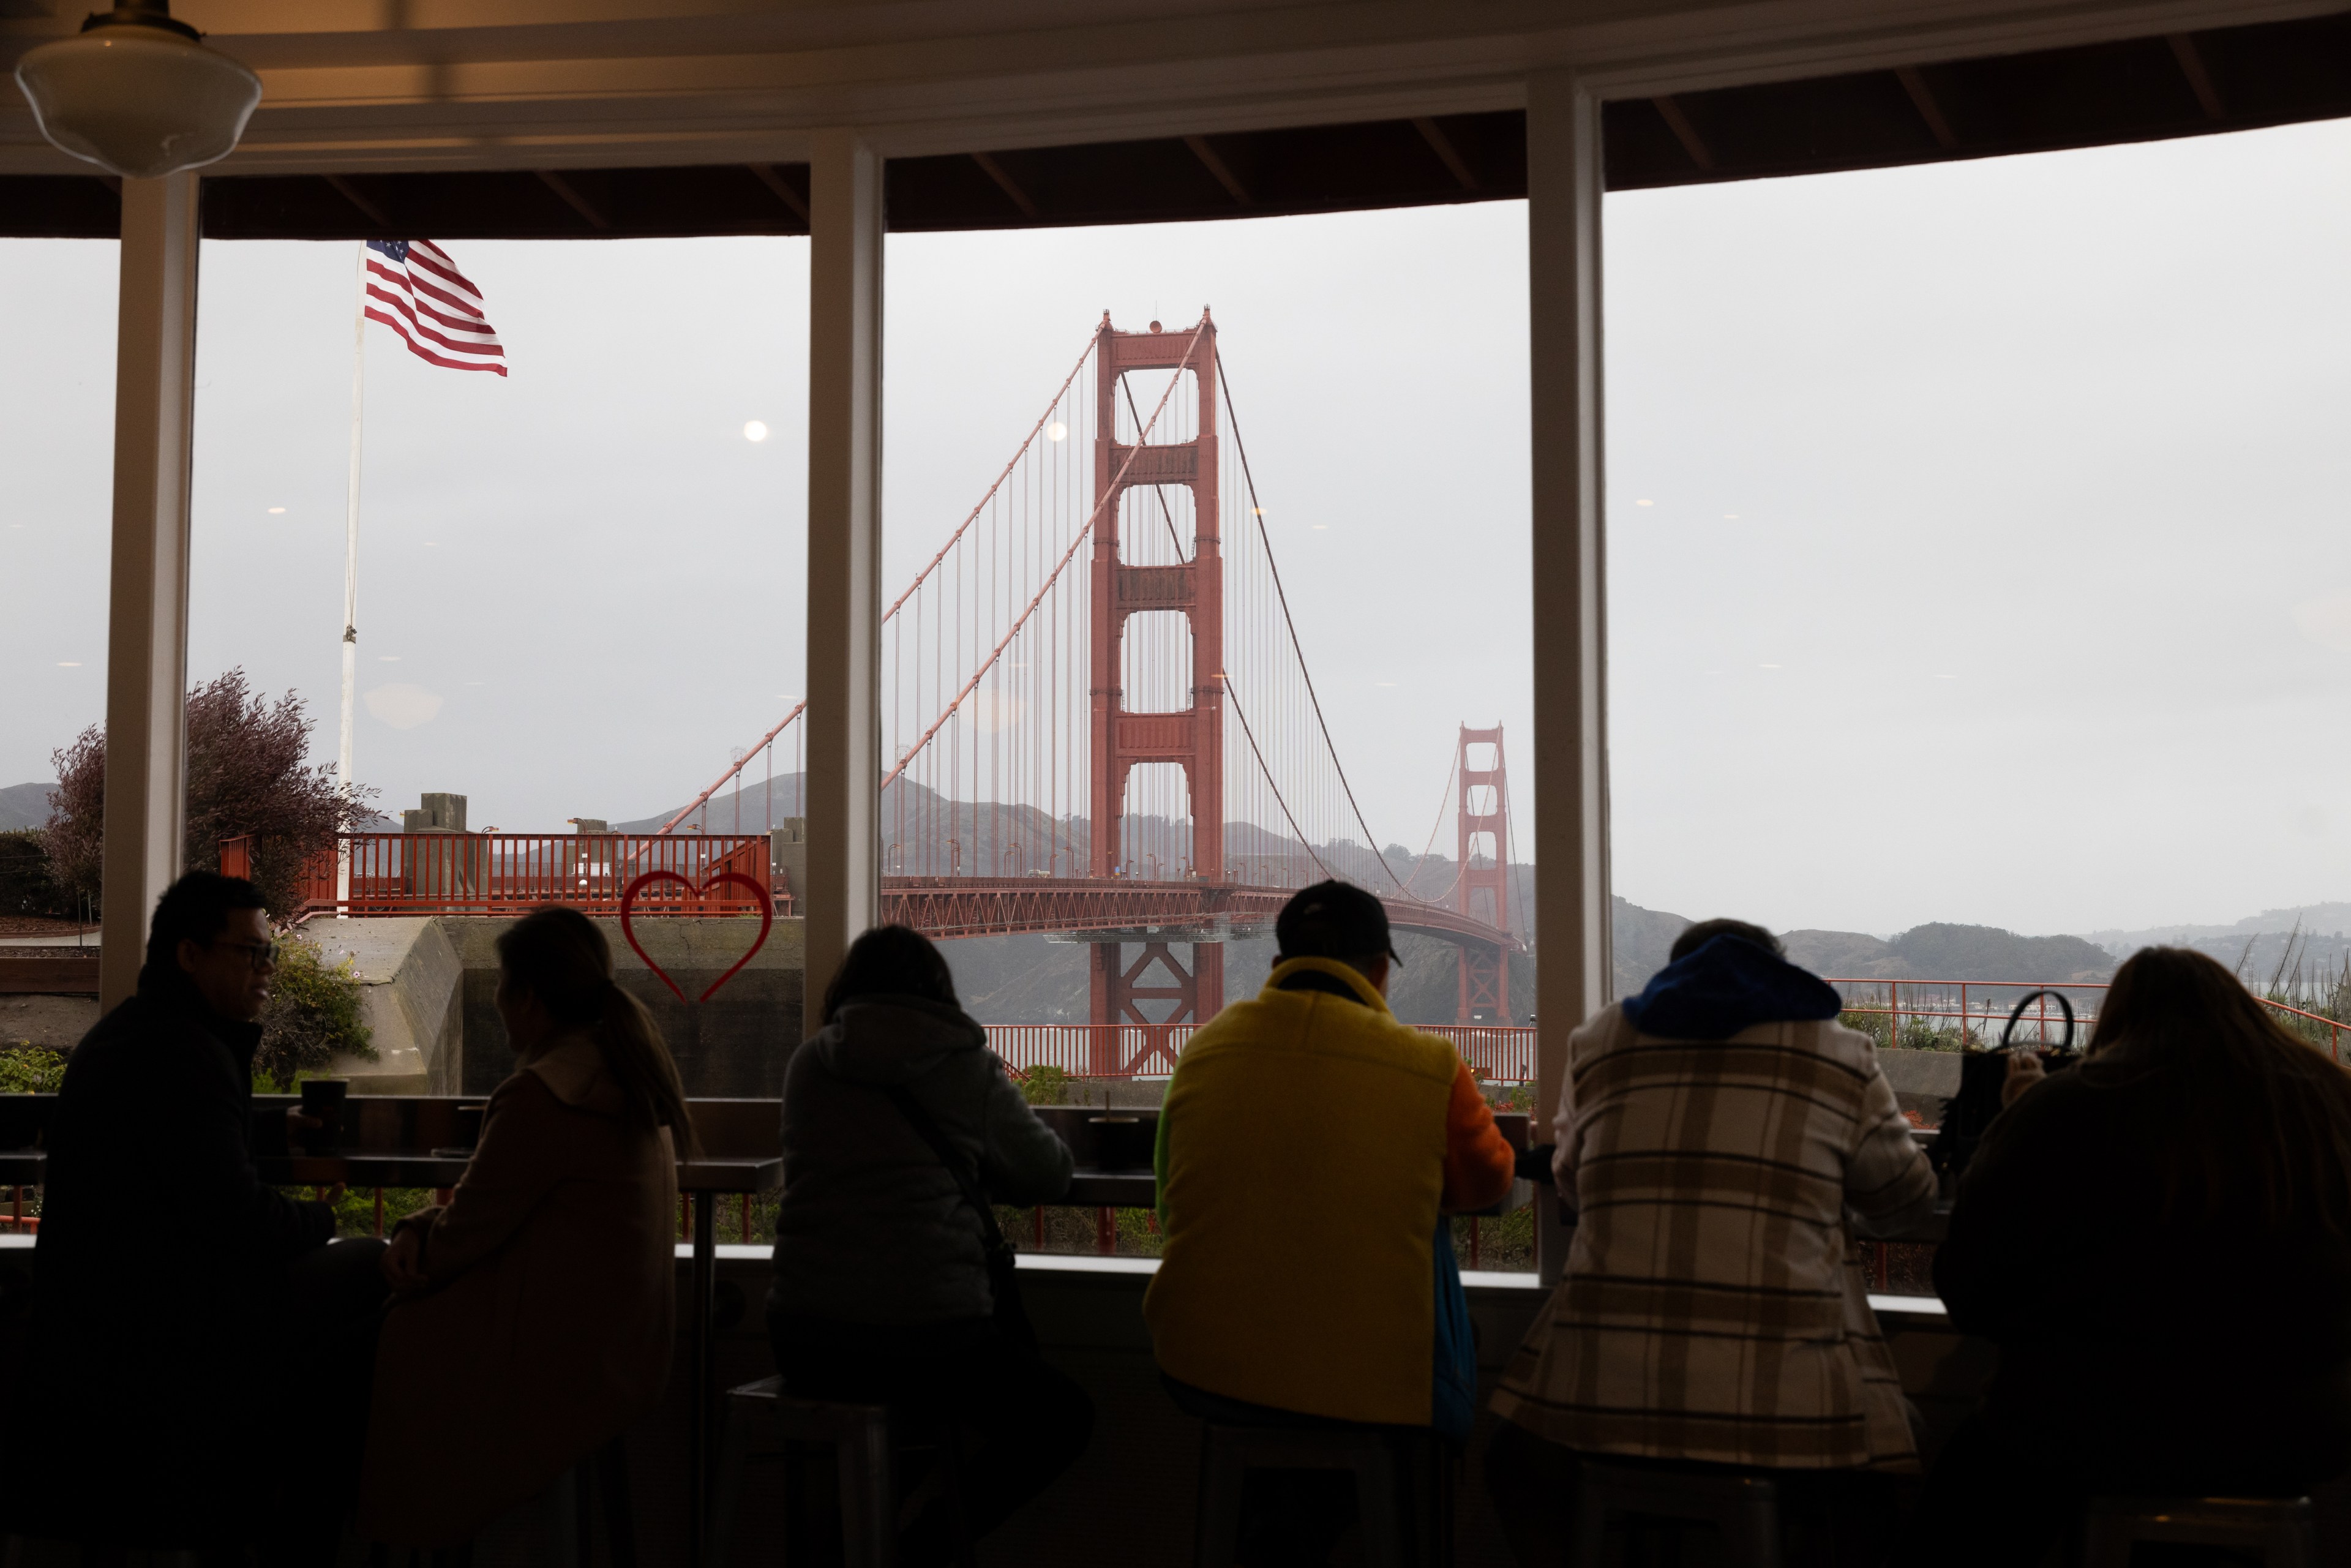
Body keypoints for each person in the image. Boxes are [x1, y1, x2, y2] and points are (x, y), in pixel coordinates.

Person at [1485, 918, 1937, 1566]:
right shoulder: (1843, 1053)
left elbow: (1576, 1189)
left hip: (1604, 1398)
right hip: (1790, 1413)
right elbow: (1905, 1201)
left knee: (1510, 1454)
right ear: (1778, 973)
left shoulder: (1600, 1041)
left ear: (1669, 977)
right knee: (1898, 1456)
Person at [1916, 945, 2351, 1564]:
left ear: (2117, 1023)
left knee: (1962, 1513)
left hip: (2093, 1426)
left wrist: (2014, 1122)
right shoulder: (2330, 1102)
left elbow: (1969, 1288)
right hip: (2298, 1434)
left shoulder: (2067, 1106)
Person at [11, 871, 388, 1560]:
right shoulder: (182, 1052)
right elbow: (233, 1213)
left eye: (268, 952)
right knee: (372, 1269)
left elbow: (178, 1153)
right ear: (190, 954)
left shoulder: (147, 1036)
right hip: (160, 1333)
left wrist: (273, 1136)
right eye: (251, 952)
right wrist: (320, 1218)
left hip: (109, 1323)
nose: (267, 968)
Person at [1144, 880, 1517, 1564]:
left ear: (1279, 959)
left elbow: (1172, 1201)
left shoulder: (1200, 1053)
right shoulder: (1432, 1065)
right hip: (1375, 1382)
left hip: (1201, 1361)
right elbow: (1489, 1180)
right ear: (1380, 968)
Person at [358, 906, 689, 1545]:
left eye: (503, 985)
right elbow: (499, 1212)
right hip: (624, 1350)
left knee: (360, 1345)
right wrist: (424, 1226)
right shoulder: (626, 1073)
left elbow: (464, 1236)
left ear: (529, 998)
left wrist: (413, 1232)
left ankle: (360, 1539)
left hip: (558, 1360)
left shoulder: (542, 1093)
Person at [767, 924, 1091, 1566]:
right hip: (929, 1336)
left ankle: (850, 1545)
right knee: (1061, 1418)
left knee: (897, 1420)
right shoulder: (965, 1066)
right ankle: (915, 1552)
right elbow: (1048, 1174)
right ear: (940, 993)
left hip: (804, 1338)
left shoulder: (809, 1062)